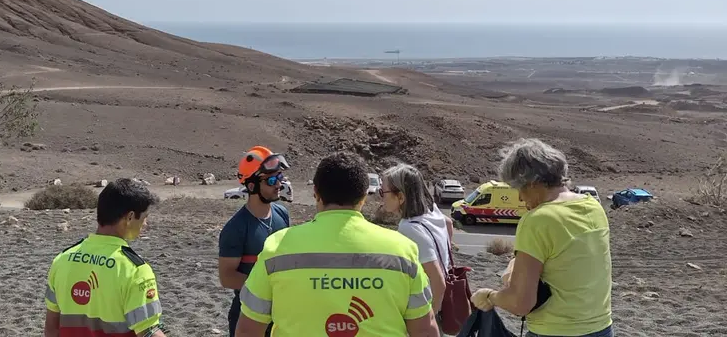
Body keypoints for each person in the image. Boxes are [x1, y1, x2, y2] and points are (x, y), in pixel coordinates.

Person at [235, 151, 441, 337]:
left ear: (316, 193)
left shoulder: (276, 247)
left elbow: (248, 329)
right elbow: (424, 329)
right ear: (363, 197)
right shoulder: (403, 249)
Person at [471, 138, 613, 337]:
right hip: (601, 328)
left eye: (519, 189)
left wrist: (489, 296)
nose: (520, 198)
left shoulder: (537, 220)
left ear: (532, 183)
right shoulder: (593, 206)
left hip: (555, 331)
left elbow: (520, 303)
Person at [44, 178, 167, 337]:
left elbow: (51, 329)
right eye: (144, 217)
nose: (145, 224)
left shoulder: (61, 260)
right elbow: (149, 332)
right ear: (130, 217)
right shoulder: (135, 270)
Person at [219, 146, 291, 337]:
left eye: (280, 178)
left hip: (280, 313)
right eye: (272, 180)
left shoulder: (282, 214)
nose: (279, 185)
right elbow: (227, 278)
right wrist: (267, 289)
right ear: (252, 186)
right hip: (247, 315)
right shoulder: (235, 228)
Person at [380, 164, 454, 319]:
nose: (381, 197)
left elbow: (438, 283)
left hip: (424, 307)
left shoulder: (409, 229)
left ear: (400, 197)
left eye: (383, 192)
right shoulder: (431, 209)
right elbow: (448, 223)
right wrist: (444, 258)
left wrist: (430, 319)